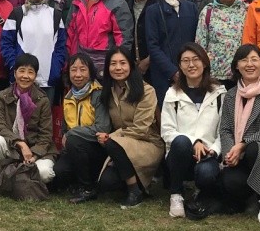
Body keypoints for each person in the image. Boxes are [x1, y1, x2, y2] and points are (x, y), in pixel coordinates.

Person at [68, 48, 163, 209]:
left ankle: (134, 191)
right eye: (113, 64)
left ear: (131, 66)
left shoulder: (146, 91)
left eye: (122, 63)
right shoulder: (107, 90)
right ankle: (88, 187)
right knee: (106, 181)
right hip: (117, 145)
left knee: (112, 145)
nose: (118, 68)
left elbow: (140, 128)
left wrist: (112, 136)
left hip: (145, 142)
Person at [216, 44, 260, 223]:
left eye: (254, 60)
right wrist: (230, 152)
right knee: (229, 180)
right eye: (244, 60)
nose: (249, 64)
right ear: (236, 66)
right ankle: (250, 198)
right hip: (240, 154)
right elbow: (225, 129)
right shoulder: (231, 95)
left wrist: (242, 144)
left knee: (253, 148)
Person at [159, 43, 224, 219]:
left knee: (207, 174)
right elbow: (167, 131)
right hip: (180, 154)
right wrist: (194, 141)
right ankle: (176, 194)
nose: (191, 65)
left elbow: (224, 130)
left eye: (196, 60)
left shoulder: (219, 93)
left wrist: (213, 150)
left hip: (207, 154)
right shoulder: (173, 94)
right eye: (185, 61)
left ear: (205, 63)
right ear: (180, 66)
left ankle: (200, 192)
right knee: (181, 142)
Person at [0, 53, 57, 194]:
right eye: (21, 71)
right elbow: (0, 126)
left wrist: (34, 155)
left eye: (30, 72)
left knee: (45, 173)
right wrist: (20, 143)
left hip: (38, 151)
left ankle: (20, 182)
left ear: (35, 76)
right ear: (15, 73)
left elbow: (46, 135)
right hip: (13, 146)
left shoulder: (42, 100)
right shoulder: (2, 96)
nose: (25, 76)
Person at [1, 0, 67, 101]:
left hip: (47, 80)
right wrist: (15, 67)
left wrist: (56, 68)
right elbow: (6, 44)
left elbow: (61, 46)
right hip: (21, 80)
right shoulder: (17, 13)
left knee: (45, 114)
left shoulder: (55, 15)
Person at [51, 53, 111, 193]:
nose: (78, 74)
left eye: (83, 70)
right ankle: (78, 182)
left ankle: (87, 187)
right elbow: (65, 129)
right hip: (74, 149)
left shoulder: (99, 94)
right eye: (73, 70)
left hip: (96, 147)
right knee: (59, 171)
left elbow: (102, 128)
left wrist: (72, 134)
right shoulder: (68, 97)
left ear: (91, 72)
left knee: (74, 141)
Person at [66, 0, 133, 80]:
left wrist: (117, 65)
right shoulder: (77, 2)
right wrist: (68, 63)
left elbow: (124, 39)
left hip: (105, 66)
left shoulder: (117, 4)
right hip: (80, 66)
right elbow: (69, 34)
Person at [145, 0, 200, 102]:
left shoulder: (191, 8)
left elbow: (196, 41)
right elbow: (153, 46)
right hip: (163, 76)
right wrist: (172, 71)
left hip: (189, 72)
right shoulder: (153, 11)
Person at [196, 0, 248, 89]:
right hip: (214, 77)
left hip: (242, 74)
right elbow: (200, 45)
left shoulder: (247, 10)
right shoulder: (208, 11)